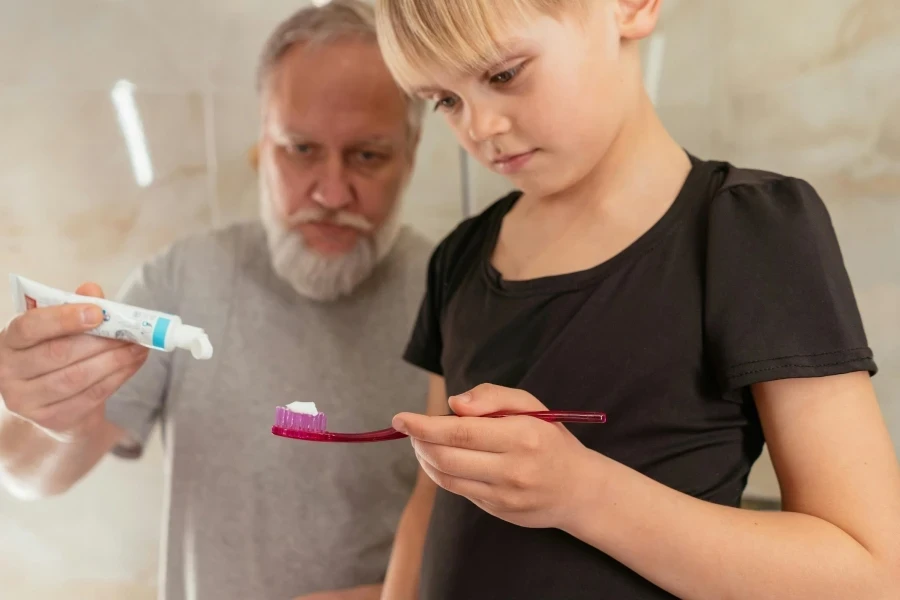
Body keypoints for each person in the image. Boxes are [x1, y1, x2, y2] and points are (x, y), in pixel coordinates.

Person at [373, 1, 900, 599]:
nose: (479, 127)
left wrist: (579, 492)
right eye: (444, 100)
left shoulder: (749, 228)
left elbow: (870, 575)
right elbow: (431, 499)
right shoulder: (461, 257)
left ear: (630, 7)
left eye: (504, 74)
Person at [0, 2, 431, 599]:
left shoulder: (454, 301)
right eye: (301, 149)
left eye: (367, 156)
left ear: (410, 158)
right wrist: (47, 415)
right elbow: (27, 477)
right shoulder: (185, 280)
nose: (332, 192)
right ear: (262, 146)